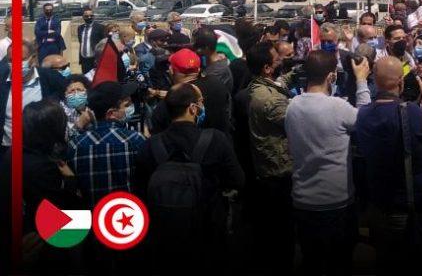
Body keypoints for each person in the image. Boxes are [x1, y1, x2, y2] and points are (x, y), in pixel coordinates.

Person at [136, 82, 244, 271]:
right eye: (201, 102)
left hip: (164, 234)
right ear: (193, 108)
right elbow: (237, 180)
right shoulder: (216, 139)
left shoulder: (150, 145)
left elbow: (140, 189)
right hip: (208, 230)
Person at [355, 57, 422, 273]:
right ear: (401, 83)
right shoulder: (409, 112)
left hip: (378, 208)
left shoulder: (363, 114)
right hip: (409, 212)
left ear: (375, 81)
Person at [285, 50, 372, 274]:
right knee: (340, 261)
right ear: (332, 76)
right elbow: (366, 119)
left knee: (311, 260)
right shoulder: (337, 107)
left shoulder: (292, 105)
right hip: (337, 202)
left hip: (303, 201)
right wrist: (361, 80)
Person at [0, 99, 84, 274]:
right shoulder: (42, 168)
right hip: (43, 248)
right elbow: (66, 224)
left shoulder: (14, 152)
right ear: (52, 130)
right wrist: (71, 182)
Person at [246, 41, 294, 274]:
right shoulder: (270, 100)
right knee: (281, 228)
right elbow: (296, 124)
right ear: (267, 67)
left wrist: (295, 72)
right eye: (277, 59)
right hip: (278, 171)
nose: (281, 61)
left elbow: (278, 84)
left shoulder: (259, 87)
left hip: (268, 169)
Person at [68, 80, 145, 206]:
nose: (131, 107)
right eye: (126, 105)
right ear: (111, 113)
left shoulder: (75, 145)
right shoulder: (135, 140)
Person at [0, 40, 67, 157]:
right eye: (11, 60)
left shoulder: (50, 78)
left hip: (43, 151)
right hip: (8, 150)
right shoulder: (2, 81)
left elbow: (69, 98)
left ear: (33, 58)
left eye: (21, 59)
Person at [194, 28, 234, 136]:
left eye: (197, 47)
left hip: (217, 123)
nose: (195, 50)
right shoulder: (212, 64)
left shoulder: (217, 71)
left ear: (206, 48)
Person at [77, 6, 105, 74]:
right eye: (86, 16)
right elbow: (81, 42)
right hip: (84, 59)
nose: (89, 17)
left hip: (95, 58)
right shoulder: (80, 28)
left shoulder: (100, 27)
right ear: (83, 17)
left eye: (91, 16)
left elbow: (104, 42)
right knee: (86, 79)